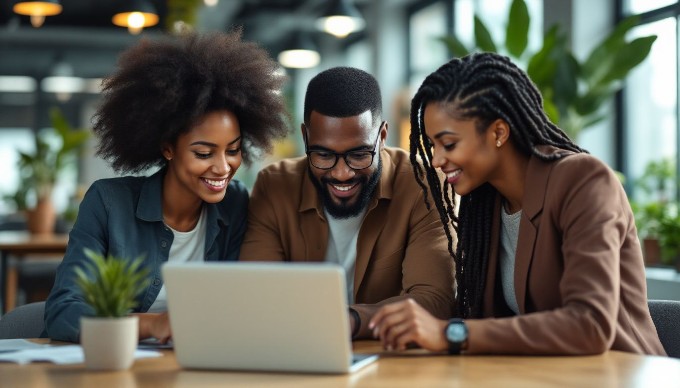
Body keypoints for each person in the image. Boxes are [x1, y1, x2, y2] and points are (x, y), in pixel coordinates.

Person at [369, 52, 666, 356]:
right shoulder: (485, 203)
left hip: (623, 374)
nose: (437, 160)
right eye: (433, 145)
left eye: (449, 144)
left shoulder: (584, 181)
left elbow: (590, 324)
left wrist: (450, 333)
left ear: (498, 132)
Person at [44, 30, 290, 343]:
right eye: (204, 153)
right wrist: (152, 325)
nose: (223, 167)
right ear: (168, 148)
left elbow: (236, 303)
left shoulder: (235, 203)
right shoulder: (108, 203)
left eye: (233, 150)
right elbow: (62, 312)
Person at [239, 67, 455, 339]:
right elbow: (258, 295)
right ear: (305, 138)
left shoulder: (423, 185)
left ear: (383, 136)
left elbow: (434, 301)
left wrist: (349, 320)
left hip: (388, 361)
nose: (342, 173)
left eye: (359, 154)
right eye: (324, 155)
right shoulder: (275, 186)